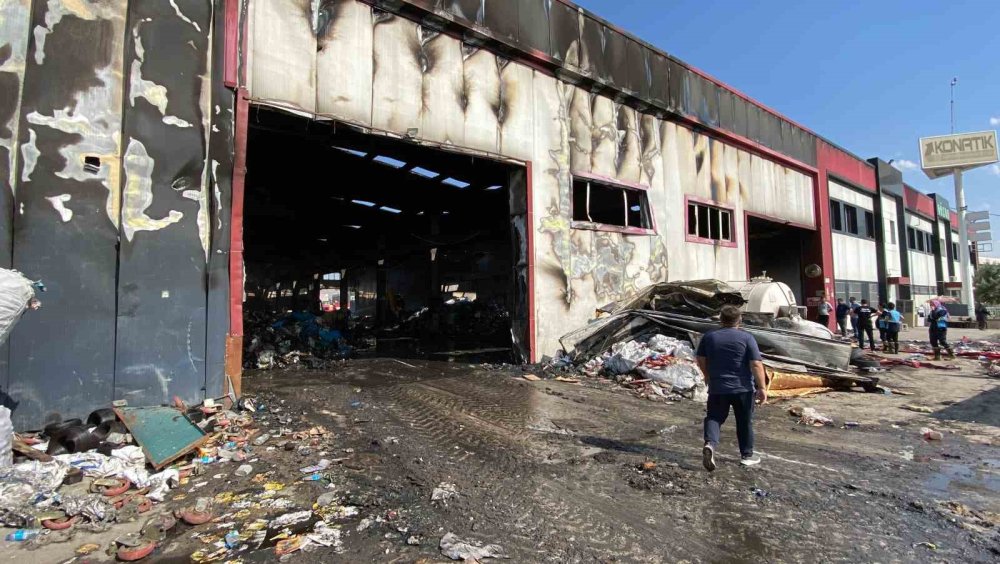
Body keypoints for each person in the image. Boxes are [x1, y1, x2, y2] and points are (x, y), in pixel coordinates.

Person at [696, 305, 767, 471]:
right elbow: (756, 364)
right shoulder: (747, 338)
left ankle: (710, 445)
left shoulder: (710, 337)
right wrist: (762, 387)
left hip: (718, 387)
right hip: (742, 388)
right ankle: (747, 456)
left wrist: (707, 375)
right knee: (744, 421)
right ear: (740, 320)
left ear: (720, 319)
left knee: (714, 417)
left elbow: (700, 358)